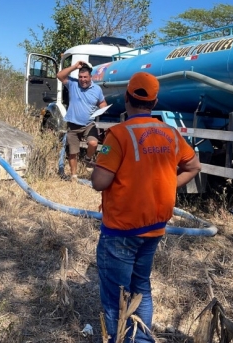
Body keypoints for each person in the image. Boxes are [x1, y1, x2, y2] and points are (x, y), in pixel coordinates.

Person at [91, 72, 202, 343]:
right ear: (154, 102)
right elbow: (193, 166)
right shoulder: (170, 133)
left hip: (121, 231)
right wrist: (166, 186)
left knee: (117, 297)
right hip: (154, 228)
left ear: (127, 99)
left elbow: (99, 182)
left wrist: (96, 157)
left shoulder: (118, 134)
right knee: (141, 288)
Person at [57, 60, 107, 179]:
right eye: (80, 77)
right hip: (73, 125)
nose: (82, 79)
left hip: (89, 124)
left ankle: (87, 159)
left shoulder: (97, 89)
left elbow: (102, 102)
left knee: (93, 143)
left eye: (85, 77)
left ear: (91, 77)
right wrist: (74, 66)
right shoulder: (73, 84)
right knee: (73, 153)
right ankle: (74, 176)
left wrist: (103, 108)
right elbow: (60, 75)